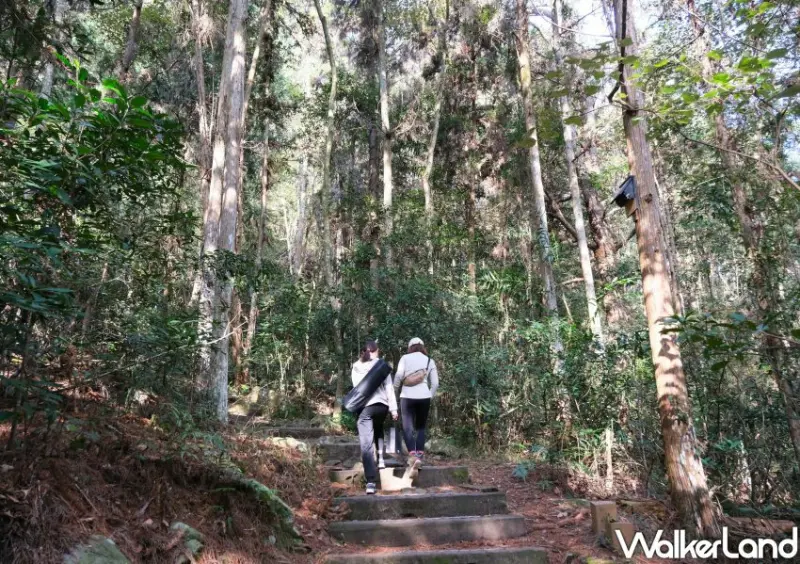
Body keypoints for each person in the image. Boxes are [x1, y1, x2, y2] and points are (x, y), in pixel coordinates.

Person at [351, 339, 398, 495]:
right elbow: (389, 388)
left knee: (366, 443)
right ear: (375, 351)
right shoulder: (382, 366)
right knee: (378, 426)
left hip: (366, 408)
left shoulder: (356, 367)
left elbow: (357, 389)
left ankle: (371, 481)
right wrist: (393, 409)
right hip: (382, 406)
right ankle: (381, 459)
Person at [393, 337, 439, 462]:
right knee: (421, 427)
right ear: (423, 347)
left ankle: (412, 455)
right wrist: (429, 395)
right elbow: (435, 384)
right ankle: (419, 454)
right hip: (424, 397)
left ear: (410, 347)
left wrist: (394, 393)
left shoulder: (405, 358)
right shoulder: (429, 361)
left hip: (407, 396)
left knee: (408, 427)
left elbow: (398, 377)